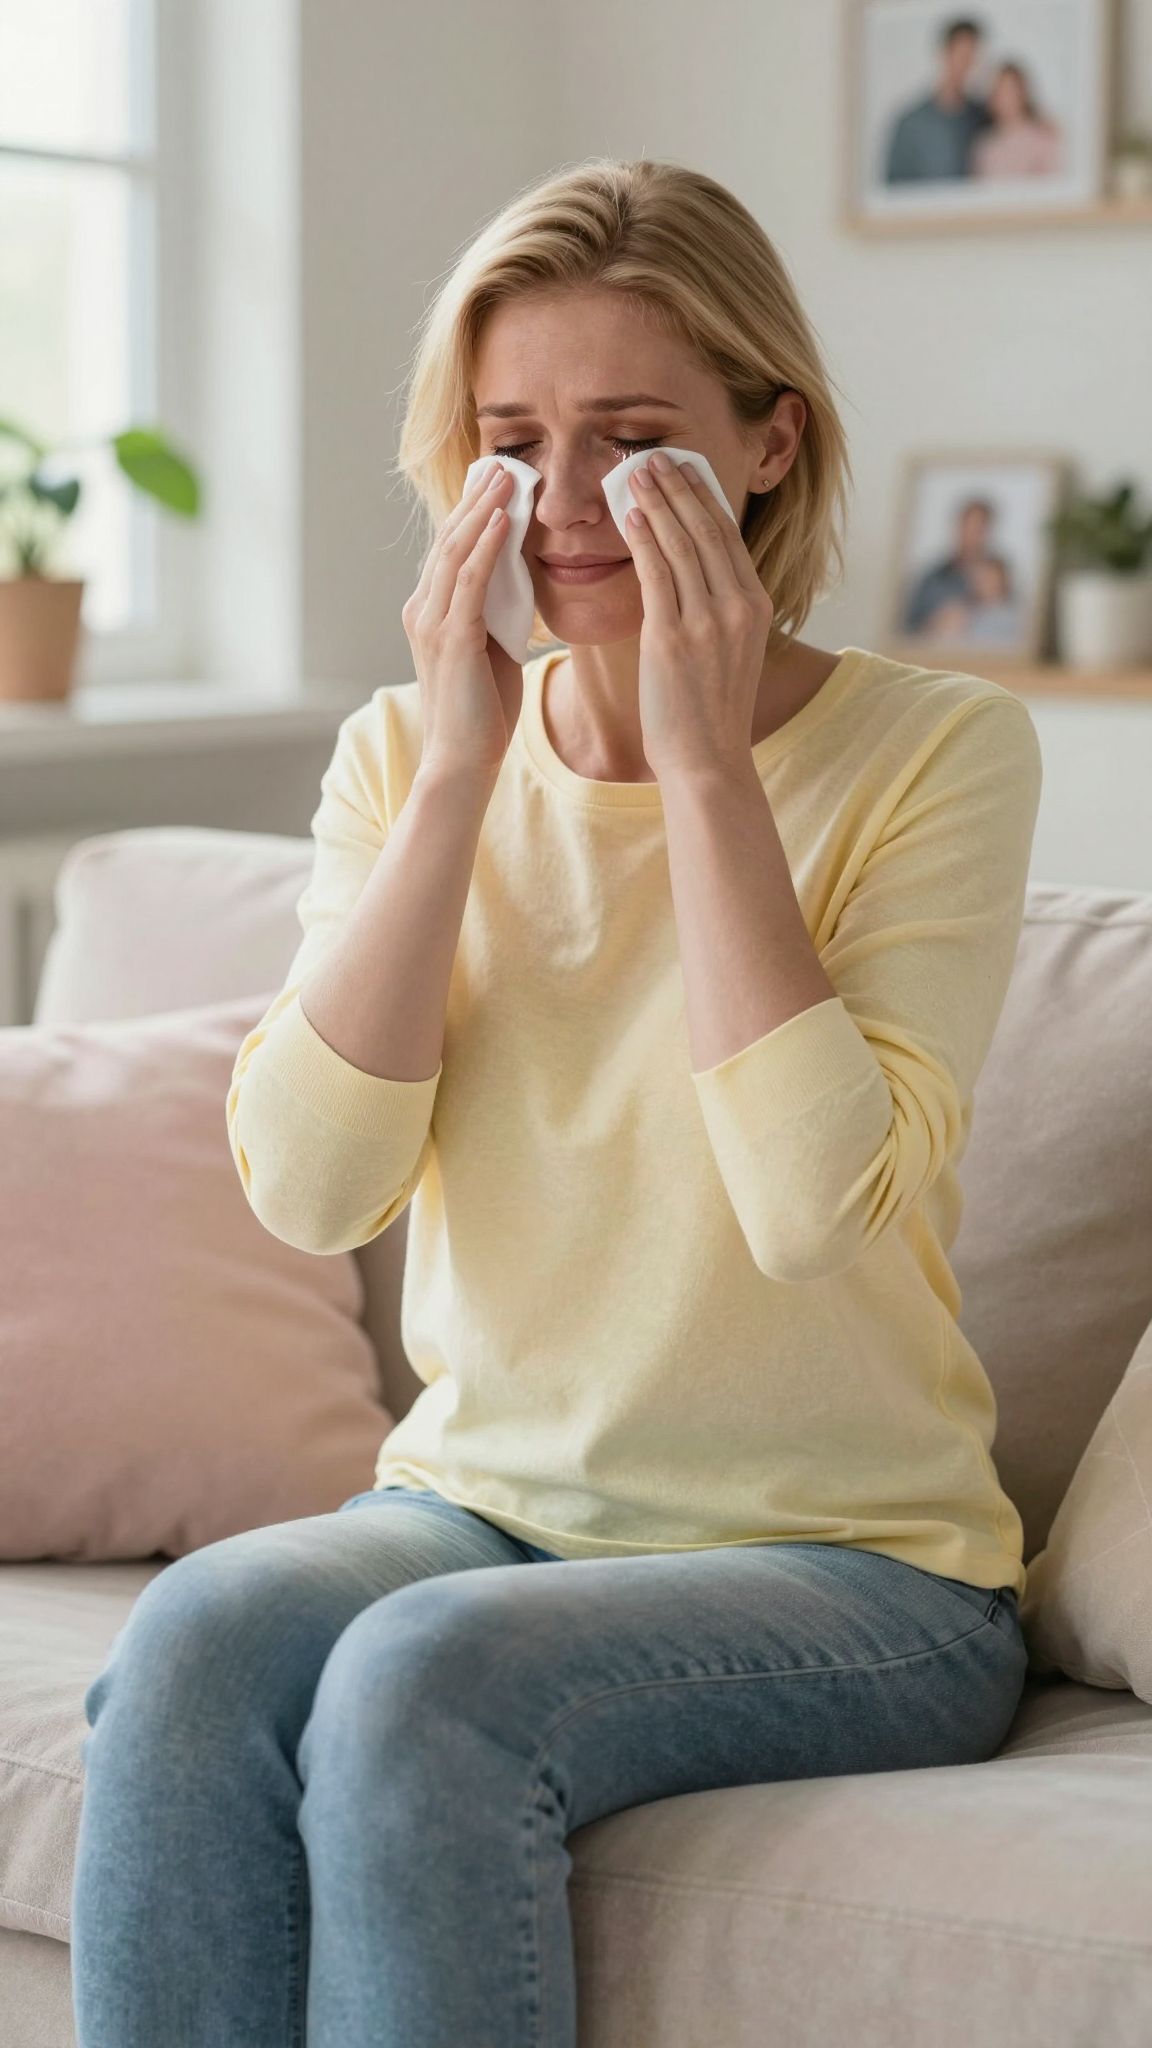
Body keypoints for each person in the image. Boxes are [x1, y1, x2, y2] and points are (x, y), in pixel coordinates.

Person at [71, 155, 1039, 2048]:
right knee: (195, 1642)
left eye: (632, 436)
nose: (569, 501)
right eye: (515, 437)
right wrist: (455, 778)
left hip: (857, 1565)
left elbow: (809, 1208)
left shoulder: (935, 750)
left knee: (427, 1679)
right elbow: (308, 1188)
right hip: (485, 1503)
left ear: (767, 446)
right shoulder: (396, 753)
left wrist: (700, 761)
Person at [885, 15, 995, 183]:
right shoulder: (911, 123)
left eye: (972, 57)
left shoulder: (983, 117)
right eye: (961, 55)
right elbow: (893, 189)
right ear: (944, 53)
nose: (966, 65)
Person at [970, 60, 1065, 179]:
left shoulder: (1043, 137)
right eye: (998, 91)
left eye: (1010, 90)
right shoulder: (984, 146)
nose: (1004, 99)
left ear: (1023, 93)